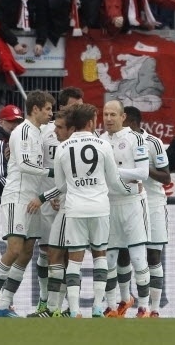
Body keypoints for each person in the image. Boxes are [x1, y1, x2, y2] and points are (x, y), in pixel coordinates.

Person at [29, 104, 132, 319]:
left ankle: (74, 310)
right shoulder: (103, 145)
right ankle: (96, 308)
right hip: (100, 208)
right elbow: (114, 181)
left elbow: (61, 185)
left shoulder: (63, 148)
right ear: (91, 123)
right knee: (100, 257)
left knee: (74, 261)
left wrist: (46, 197)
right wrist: (131, 189)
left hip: (75, 208)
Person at [0, 90, 54, 318]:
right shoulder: (23, 131)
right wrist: (52, 172)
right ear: (35, 109)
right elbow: (24, 165)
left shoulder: (38, 132)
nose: (50, 114)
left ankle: (5, 303)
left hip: (32, 197)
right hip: (17, 195)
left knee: (26, 251)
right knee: (14, 249)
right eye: (47, 109)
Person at [97, 100, 152, 318]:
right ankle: (111, 307)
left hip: (132, 204)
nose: (108, 119)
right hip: (109, 205)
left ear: (123, 117)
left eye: (113, 114)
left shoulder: (136, 139)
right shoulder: (99, 141)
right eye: (105, 114)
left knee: (138, 258)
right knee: (109, 259)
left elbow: (143, 173)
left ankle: (144, 308)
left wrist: (113, 173)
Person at [126, 106, 170, 318]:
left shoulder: (154, 143)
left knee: (153, 256)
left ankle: (154, 308)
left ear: (132, 123)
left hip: (152, 203)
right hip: (128, 203)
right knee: (125, 256)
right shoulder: (117, 142)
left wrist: (142, 170)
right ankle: (125, 302)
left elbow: (166, 177)